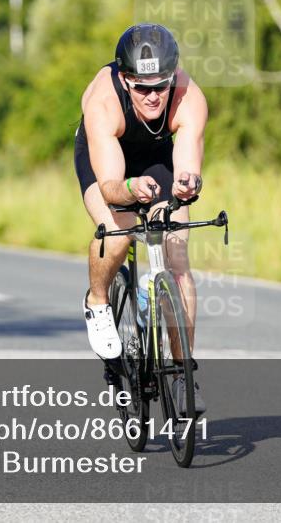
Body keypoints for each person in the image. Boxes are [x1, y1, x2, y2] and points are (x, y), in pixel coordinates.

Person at [74, 23, 208, 413]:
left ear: (173, 78)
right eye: (142, 87)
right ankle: (98, 301)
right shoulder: (104, 102)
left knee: (177, 252)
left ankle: (184, 374)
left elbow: (188, 167)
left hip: (156, 155)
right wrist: (132, 190)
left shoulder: (189, 98)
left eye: (161, 86)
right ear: (124, 78)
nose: (153, 96)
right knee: (118, 233)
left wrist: (187, 185)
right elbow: (112, 185)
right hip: (108, 160)